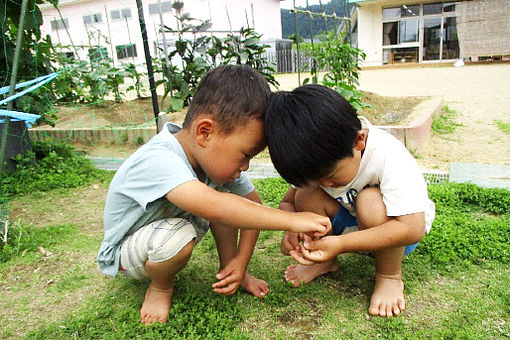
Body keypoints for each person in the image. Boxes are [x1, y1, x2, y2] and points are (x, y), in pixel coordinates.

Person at [96, 65, 331, 325]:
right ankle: (161, 286)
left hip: (167, 232)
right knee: (187, 229)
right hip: (127, 253)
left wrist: (240, 264)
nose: (245, 167)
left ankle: (228, 270)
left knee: (227, 200)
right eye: (245, 155)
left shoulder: (212, 163)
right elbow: (217, 208)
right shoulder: (158, 159)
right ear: (205, 132)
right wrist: (292, 221)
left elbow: (252, 206)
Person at [264, 84, 435, 317]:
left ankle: (388, 276)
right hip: (353, 224)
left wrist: (340, 244)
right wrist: (292, 226)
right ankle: (325, 261)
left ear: (359, 141)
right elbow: (289, 202)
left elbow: (412, 229)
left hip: (396, 235)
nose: (326, 185)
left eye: (331, 177)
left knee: (370, 203)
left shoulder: (389, 155)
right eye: (317, 179)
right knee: (305, 194)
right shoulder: (320, 159)